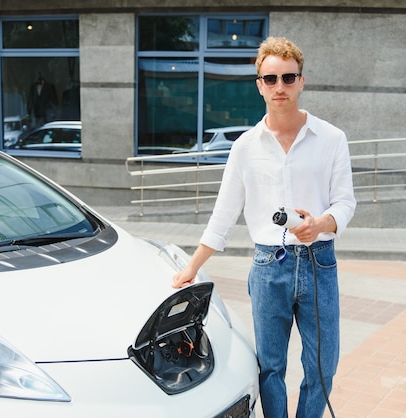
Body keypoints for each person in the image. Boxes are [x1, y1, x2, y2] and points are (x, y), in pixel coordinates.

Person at [172, 36, 356, 418]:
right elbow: (223, 216)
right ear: (259, 85)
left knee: (324, 365)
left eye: (289, 78)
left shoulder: (332, 139)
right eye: (270, 79)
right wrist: (191, 267)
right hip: (269, 266)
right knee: (271, 367)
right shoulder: (245, 147)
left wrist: (321, 223)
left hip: (319, 261)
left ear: (302, 81)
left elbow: (346, 202)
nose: (280, 87)